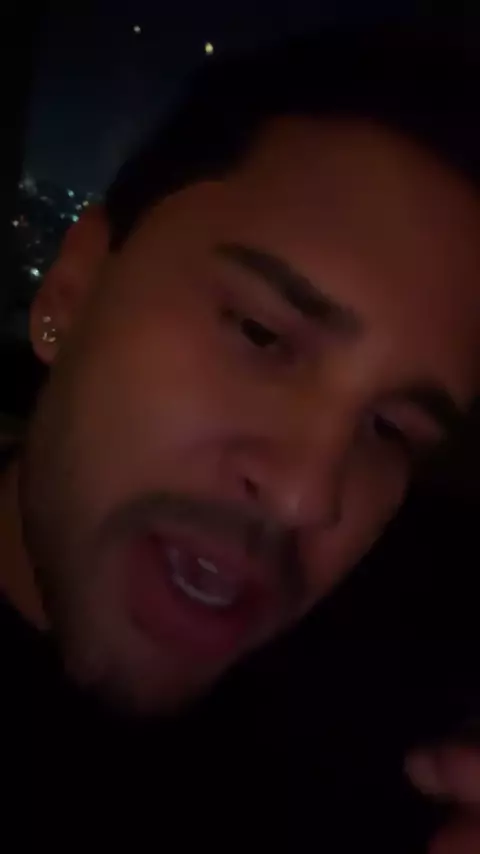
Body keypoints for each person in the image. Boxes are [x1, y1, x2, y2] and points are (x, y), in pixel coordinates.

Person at [1, 23, 479, 851]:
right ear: (73, 289)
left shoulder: (414, 698)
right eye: (260, 333)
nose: (305, 497)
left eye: (390, 430)